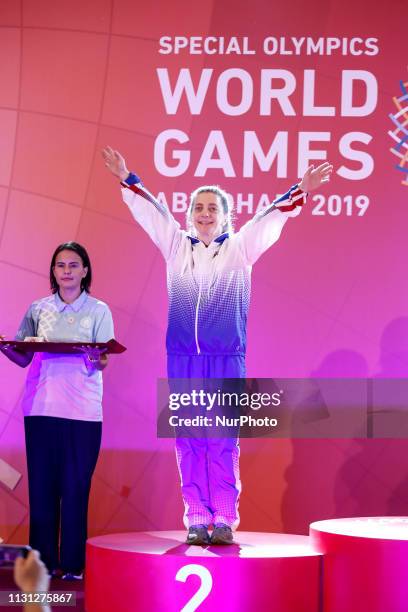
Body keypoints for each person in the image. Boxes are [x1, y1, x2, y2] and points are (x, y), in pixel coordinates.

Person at [102, 146, 332, 545]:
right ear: (190, 215)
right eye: (199, 208)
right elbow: (153, 211)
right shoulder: (177, 248)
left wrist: (302, 189)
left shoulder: (240, 250)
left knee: (223, 439)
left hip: (226, 360)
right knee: (190, 438)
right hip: (183, 360)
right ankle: (195, 517)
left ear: (226, 215)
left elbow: (271, 215)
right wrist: (127, 177)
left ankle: (224, 518)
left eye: (213, 208)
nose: (205, 214)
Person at [0, 242, 114, 578]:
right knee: (43, 488)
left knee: (76, 487)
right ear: (53, 271)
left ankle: (74, 565)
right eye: (60, 265)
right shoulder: (38, 309)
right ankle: (44, 563)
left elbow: (102, 359)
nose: (66, 270)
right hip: (41, 409)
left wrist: (94, 355)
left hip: (83, 412)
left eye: (73, 265)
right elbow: (23, 356)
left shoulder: (98, 310)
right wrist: (6, 346)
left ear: (85, 271)